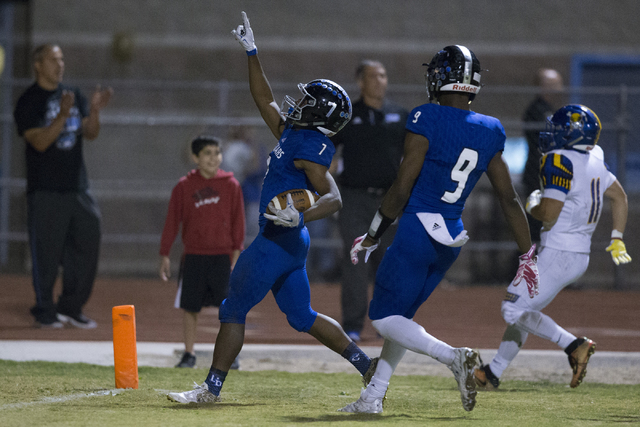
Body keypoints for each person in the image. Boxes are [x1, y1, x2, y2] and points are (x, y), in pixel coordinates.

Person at [167, 11, 377, 404]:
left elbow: (334, 197)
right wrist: (252, 51)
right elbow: (263, 97)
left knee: (232, 308)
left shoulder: (312, 150)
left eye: (307, 101)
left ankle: (210, 389)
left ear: (320, 114)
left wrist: (301, 214)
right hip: (291, 242)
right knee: (302, 317)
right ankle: (368, 366)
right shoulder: (295, 134)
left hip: (277, 241)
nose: (299, 103)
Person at [340, 45, 538, 414]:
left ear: (439, 78)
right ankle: (373, 396)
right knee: (402, 318)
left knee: (383, 319)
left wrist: (373, 233)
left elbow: (401, 186)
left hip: (418, 227)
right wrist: (528, 255)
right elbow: (509, 200)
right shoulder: (491, 128)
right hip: (451, 236)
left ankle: (452, 357)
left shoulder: (425, 116)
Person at [474, 104, 631, 391]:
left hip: (559, 252)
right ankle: (492, 372)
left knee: (511, 308)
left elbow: (548, 214)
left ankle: (575, 345)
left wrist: (533, 204)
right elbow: (619, 197)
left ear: (570, 133)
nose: (551, 134)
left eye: (558, 129)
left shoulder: (559, 159)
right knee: (524, 311)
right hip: (577, 254)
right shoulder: (595, 157)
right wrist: (617, 236)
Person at [13, 44, 112, 328]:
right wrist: (61, 115)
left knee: (87, 242)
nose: (60, 65)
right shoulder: (29, 101)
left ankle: (71, 306)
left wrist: (93, 111)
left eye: (62, 59)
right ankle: (44, 310)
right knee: (46, 253)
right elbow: (40, 143)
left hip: (77, 187)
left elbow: (90, 134)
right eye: (53, 60)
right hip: (45, 190)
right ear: (38, 65)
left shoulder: (72, 94)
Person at [330, 60, 408, 342]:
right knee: (355, 263)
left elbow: (413, 155)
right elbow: (327, 150)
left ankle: (386, 323)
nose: (379, 80)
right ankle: (352, 325)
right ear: (360, 81)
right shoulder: (347, 115)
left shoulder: (400, 115)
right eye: (373, 76)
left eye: (383, 75)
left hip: (389, 201)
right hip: (354, 199)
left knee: (389, 263)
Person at [159, 135, 245, 369]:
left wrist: (237, 252)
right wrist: (164, 253)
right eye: (207, 153)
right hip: (194, 256)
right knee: (190, 308)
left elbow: (239, 222)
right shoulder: (184, 187)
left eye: (217, 153)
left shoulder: (231, 185)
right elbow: (172, 221)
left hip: (222, 257)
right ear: (195, 157)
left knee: (227, 308)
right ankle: (189, 353)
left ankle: (230, 353)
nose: (213, 158)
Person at [522, 68, 564, 243]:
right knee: (535, 220)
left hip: (549, 172)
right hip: (536, 172)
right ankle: (529, 262)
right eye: (553, 84)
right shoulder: (536, 110)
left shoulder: (549, 110)